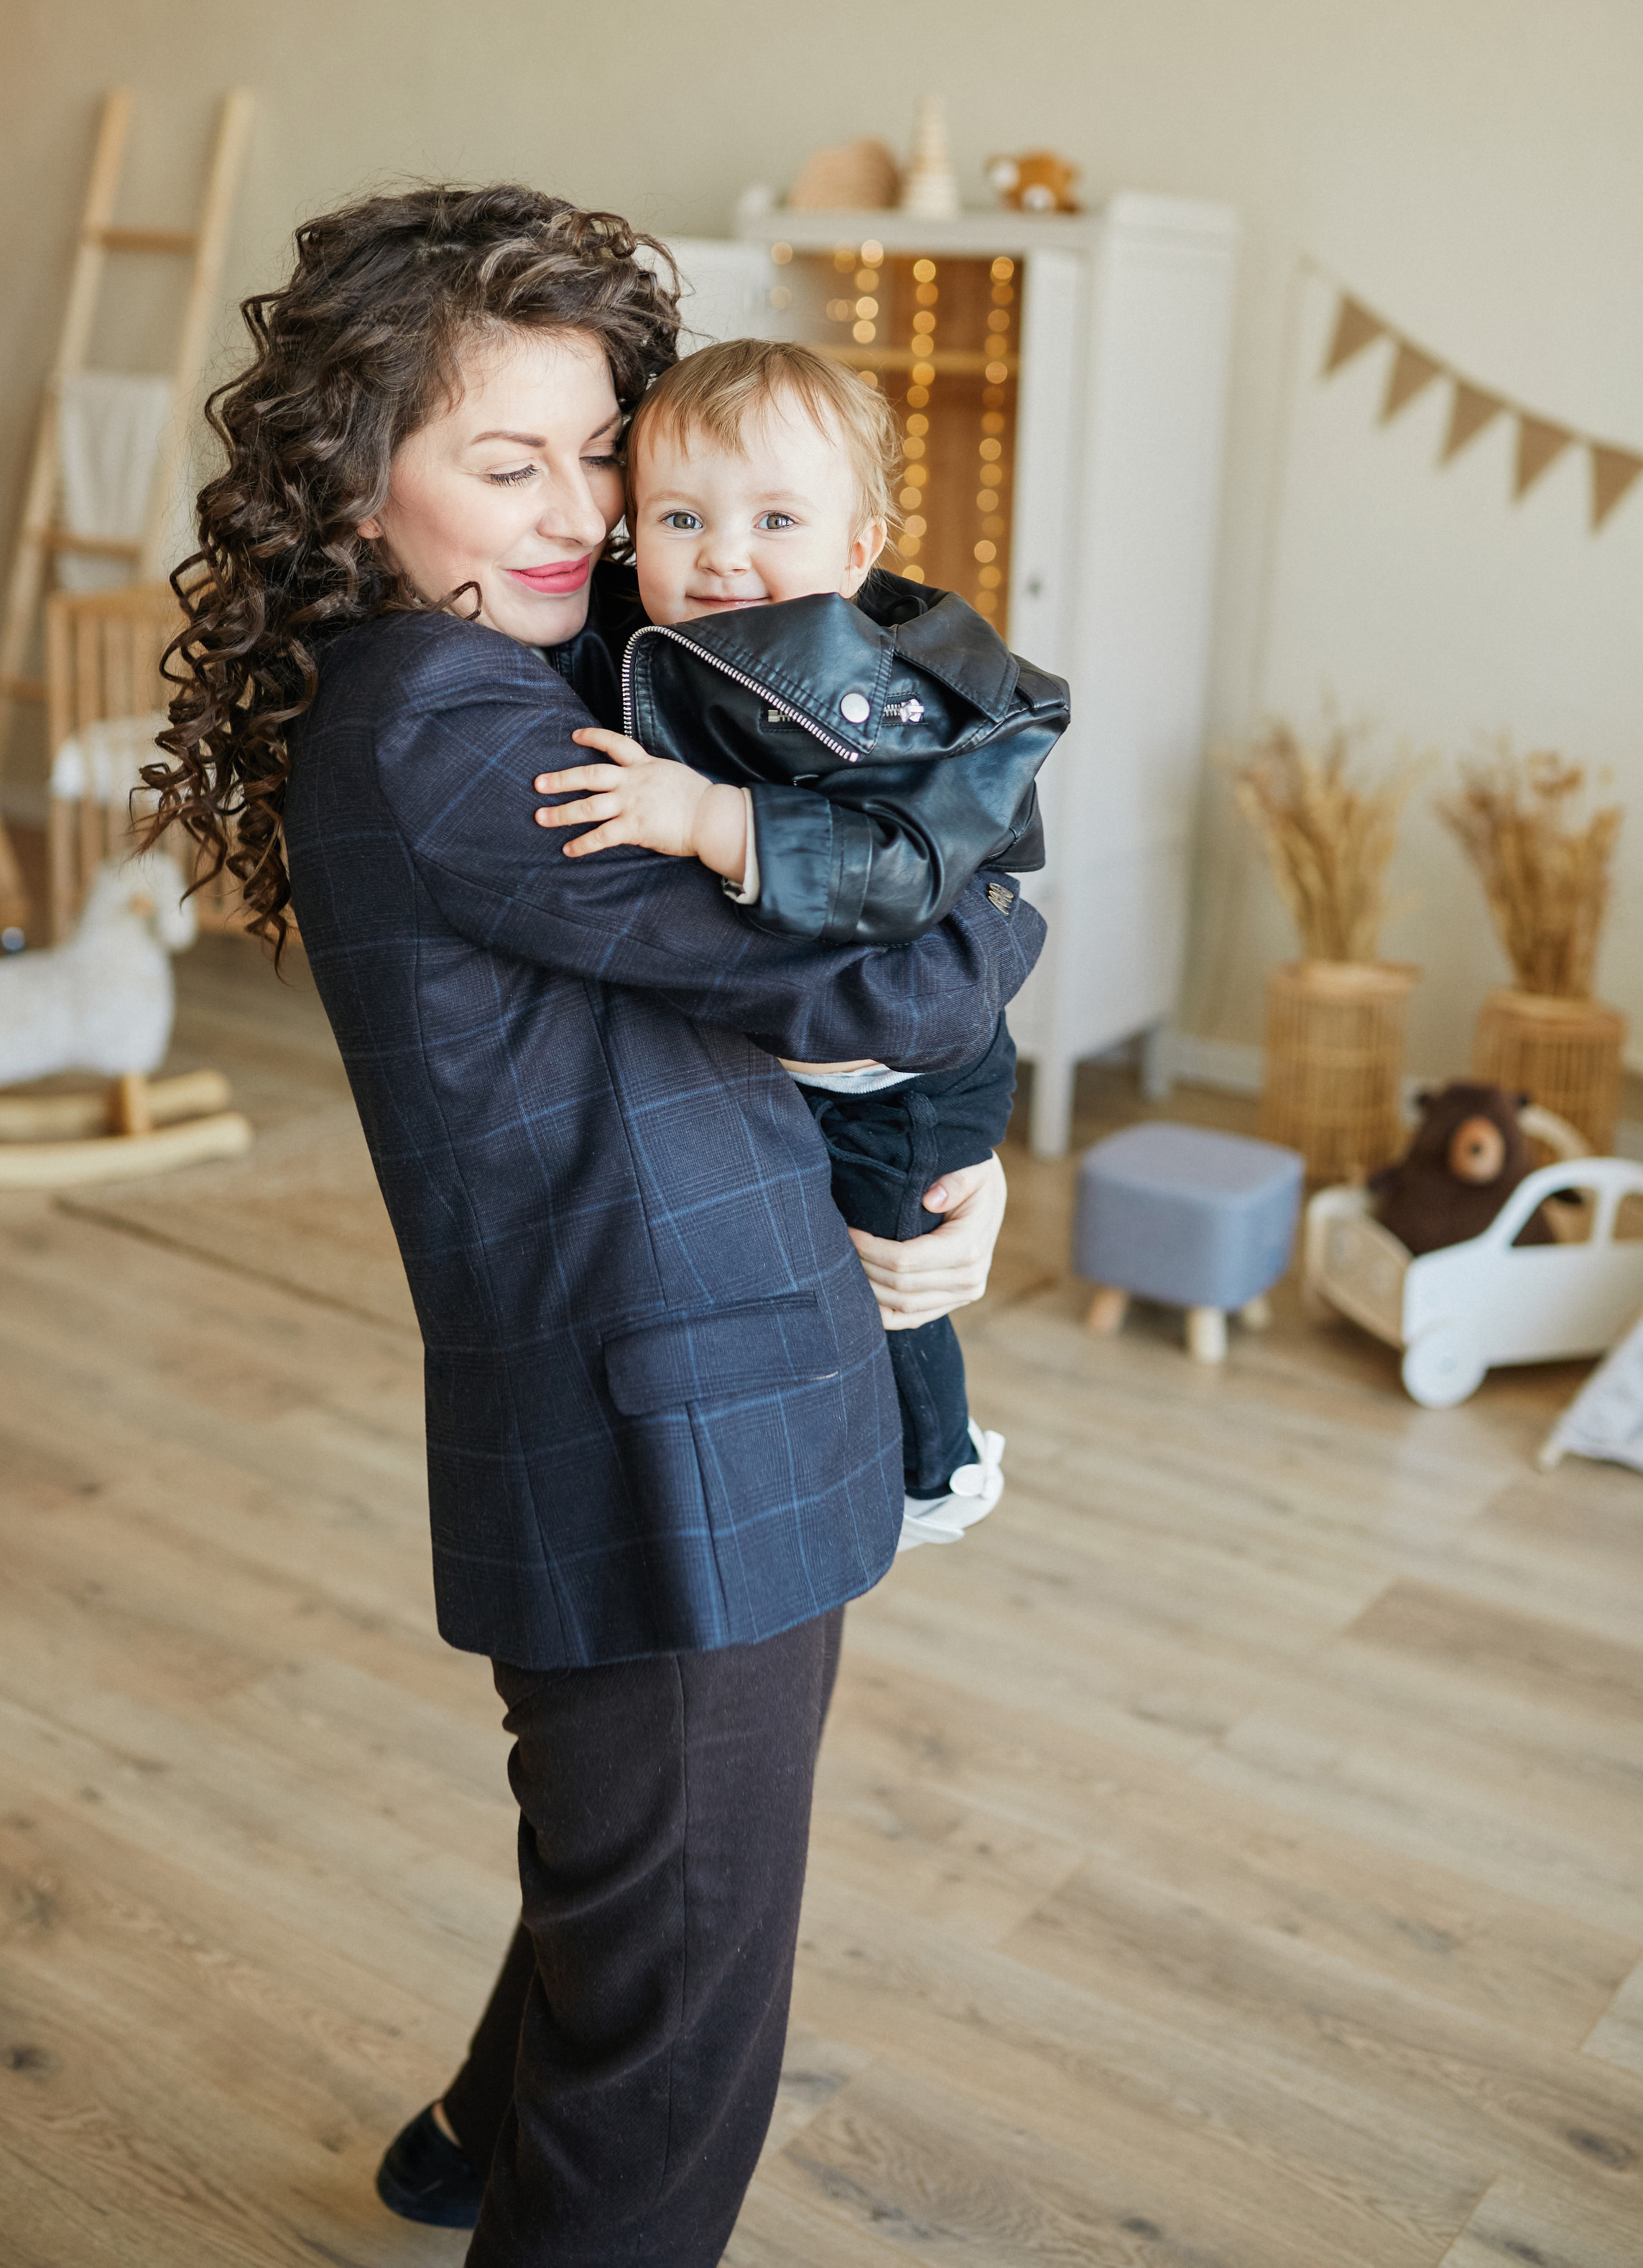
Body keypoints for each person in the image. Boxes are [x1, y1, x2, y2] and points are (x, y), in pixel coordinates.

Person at [147, 183, 1044, 2268]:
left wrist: (942, 1134)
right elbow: (910, 973)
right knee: (682, 2008)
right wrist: (976, 909)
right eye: (502, 463)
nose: (572, 514)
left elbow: (840, 953)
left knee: (636, 1866)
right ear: (362, 493)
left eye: (594, 460)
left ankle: (473, 2136)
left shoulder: (553, 676)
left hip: (680, 1356)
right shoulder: (465, 734)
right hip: (678, 1413)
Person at [529, 338, 1068, 1547]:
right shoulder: (660, 643)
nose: (723, 554)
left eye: (776, 517)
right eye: (680, 517)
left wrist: (713, 819)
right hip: (799, 1062)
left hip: (903, 1080)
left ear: (858, 547)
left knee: (892, 1282)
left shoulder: (895, 697)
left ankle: (937, 1471)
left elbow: (904, 870)